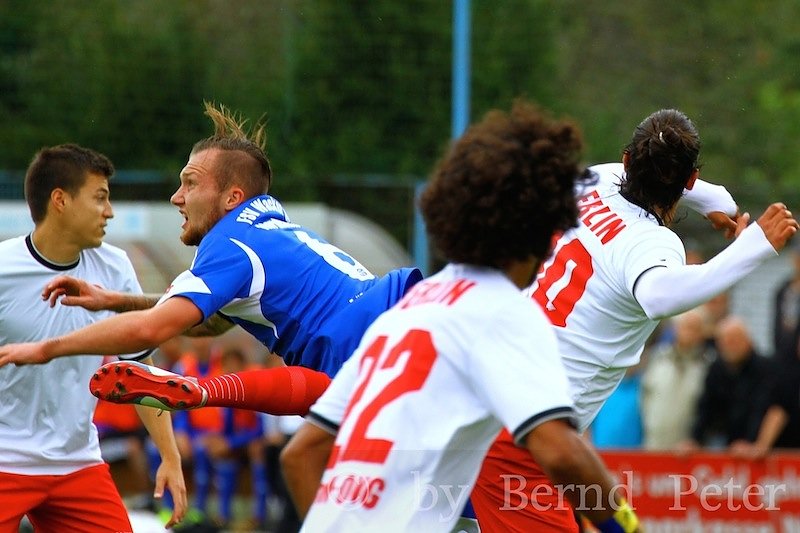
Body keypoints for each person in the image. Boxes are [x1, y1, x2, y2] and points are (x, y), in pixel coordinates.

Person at [280, 100, 640, 532]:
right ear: (547, 231)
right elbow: (560, 452)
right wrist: (628, 525)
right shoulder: (505, 313)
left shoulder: (410, 308)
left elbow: (300, 454)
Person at [470, 108, 799, 532]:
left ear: (628, 161)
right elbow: (659, 296)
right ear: (689, 178)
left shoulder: (592, 183)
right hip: (522, 438)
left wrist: (718, 202)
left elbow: (637, 180)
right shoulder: (652, 245)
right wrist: (751, 247)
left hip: (489, 394)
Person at [0, 101, 420, 428]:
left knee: (329, 473)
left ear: (232, 197)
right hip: (397, 323)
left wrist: (44, 348)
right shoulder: (268, 226)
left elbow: (154, 329)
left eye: (190, 182)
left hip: (372, 347)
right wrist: (117, 299)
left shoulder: (231, 242)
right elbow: (214, 322)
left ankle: (205, 391)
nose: (176, 197)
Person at [0, 144, 187, 532]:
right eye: (100, 198)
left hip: (77, 464)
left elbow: (137, 369)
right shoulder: (3, 269)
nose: (110, 211)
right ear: (60, 200)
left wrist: (169, 455)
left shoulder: (115, 267)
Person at [679, 316, 775, 452]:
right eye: (725, 342)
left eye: (735, 341)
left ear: (748, 341)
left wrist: (751, 443)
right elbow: (706, 407)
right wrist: (694, 440)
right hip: (724, 442)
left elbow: (761, 409)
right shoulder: (716, 369)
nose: (730, 346)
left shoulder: (764, 369)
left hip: (751, 446)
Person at [641, 308, 713, 450]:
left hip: (689, 451)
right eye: (685, 326)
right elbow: (644, 397)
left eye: (695, 328)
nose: (689, 333)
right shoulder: (657, 358)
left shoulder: (709, 365)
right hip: (652, 445)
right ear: (675, 329)